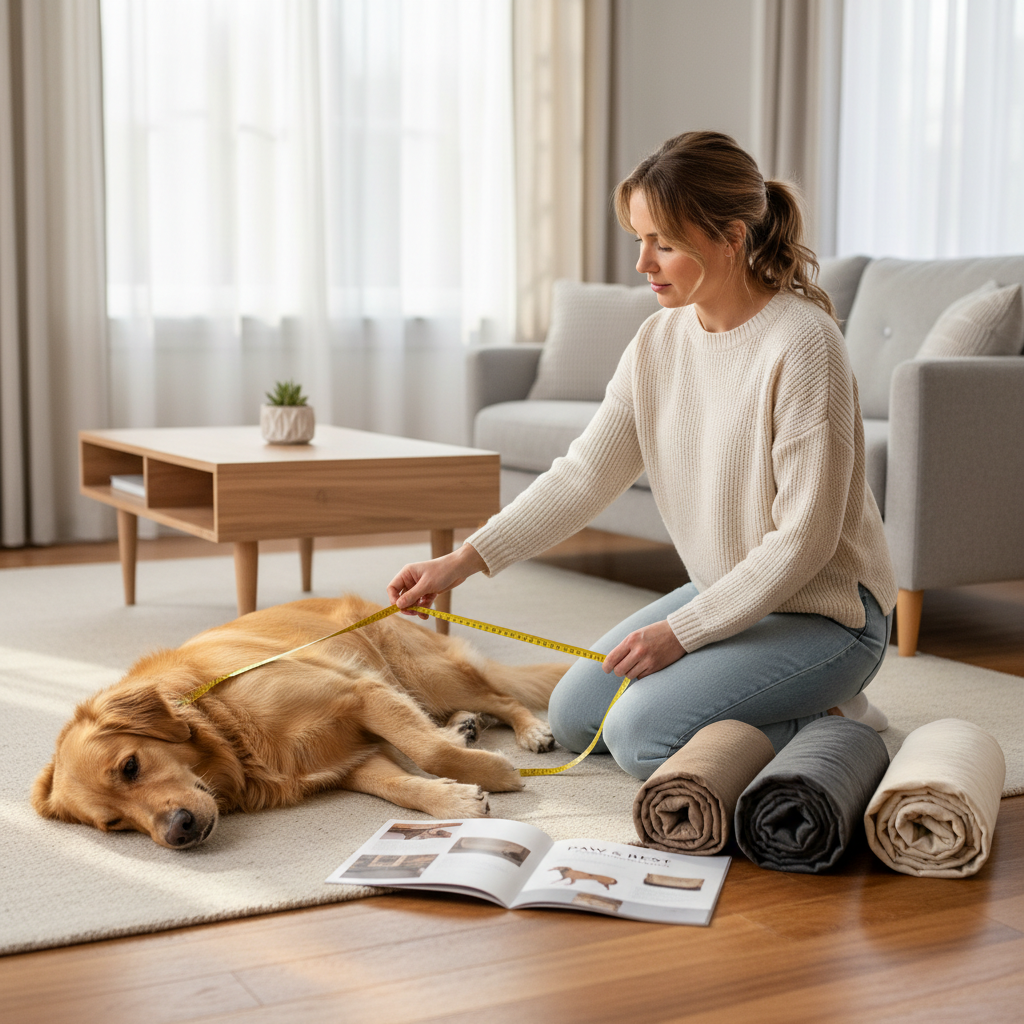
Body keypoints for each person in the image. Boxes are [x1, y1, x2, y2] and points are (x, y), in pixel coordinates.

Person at [388, 130, 897, 781]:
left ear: (731, 237)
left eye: (663, 242)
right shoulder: (659, 340)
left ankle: (837, 721)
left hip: (830, 616)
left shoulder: (804, 344)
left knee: (641, 737)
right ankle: (783, 703)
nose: (642, 262)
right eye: (639, 238)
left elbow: (804, 540)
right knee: (576, 716)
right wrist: (462, 560)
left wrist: (683, 633)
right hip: (729, 592)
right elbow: (583, 477)